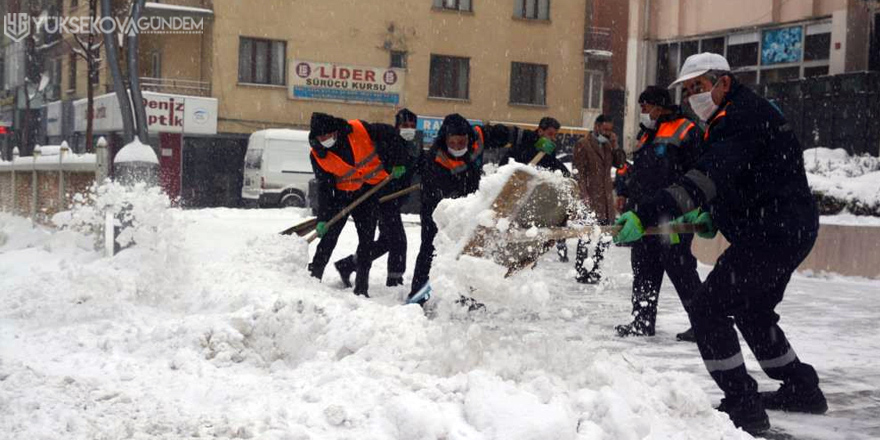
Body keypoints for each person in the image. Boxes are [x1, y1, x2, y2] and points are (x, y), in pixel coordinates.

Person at [613, 53, 826, 434]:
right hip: (785, 227)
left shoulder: (738, 119)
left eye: (699, 86)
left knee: (709, 310)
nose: (693, 95)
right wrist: (717, 214)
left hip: (770, 233)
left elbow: (708, 177)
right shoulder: (738, 114)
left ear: (723, 82)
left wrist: (646, 214)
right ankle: (801, 388)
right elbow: (749, 176)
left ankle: (743, 405)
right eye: (689, 89)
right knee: (753, 311)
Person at [614, 86, 703, 341]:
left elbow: (698, 173)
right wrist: (626, 195)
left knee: (681, 270)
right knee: (643, 270)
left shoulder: (686, 130)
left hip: (671, 216)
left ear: (659, 105)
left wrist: (692, 210)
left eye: (645, 107)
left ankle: (703, 323)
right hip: (643, 216)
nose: (643, 112)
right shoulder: (647, 135)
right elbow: (640, 174)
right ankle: (642, 321)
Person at [408, 114, 511, 305]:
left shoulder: (477, 138)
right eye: (452, 143)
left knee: (469, 252)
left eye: (461, 142)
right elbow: (435, 198)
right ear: (445, 140)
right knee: (430, 248)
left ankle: (468, 296)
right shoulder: (434, 160)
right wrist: (451, 217)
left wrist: (526, 138)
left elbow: (505, 135)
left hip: (470, 205)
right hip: (438, 209)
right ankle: (418, 295)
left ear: (468, 138)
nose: (457, 147)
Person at [307, 112, 407, 298]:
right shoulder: (318, 155)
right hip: (342, 196)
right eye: (321, 137)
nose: (325, 140)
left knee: (366, 240)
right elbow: (325, 188)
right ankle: (314, 276)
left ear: (336, 131)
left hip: (368, 193)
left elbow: (393, 137)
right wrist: (323, 218)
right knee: (329, 236)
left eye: (328, 136)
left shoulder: (359, 130)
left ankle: (362, 287)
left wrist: (398, 162)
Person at [333, 109, 422, 288]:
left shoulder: (413, 145)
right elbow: (375, 166)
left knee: (386, 241)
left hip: (395, 200)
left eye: (412, 126)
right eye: (405, 125)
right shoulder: (387, 141)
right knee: (398, 241)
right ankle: (394, 280)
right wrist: (391, 170)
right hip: (381, 198)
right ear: (397, 126)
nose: (409, 129)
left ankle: (348, 264)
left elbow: (420, 165)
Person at [571, 115, 623, 284]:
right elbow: (578, 173)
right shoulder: (583, 144)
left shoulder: (608, 145)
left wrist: (615, 145)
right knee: (586, 235)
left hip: (606, 197)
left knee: (605, 236)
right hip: (590, 196)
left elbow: (620, 164)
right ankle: (581, 270)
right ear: (596, 126)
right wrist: (582, 194)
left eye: (610, 130)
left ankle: (595, 268)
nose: (607, 133)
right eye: (605, 129)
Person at [500, 116, 571, 176]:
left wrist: (567, 175)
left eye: (555, 135)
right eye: (550, 134)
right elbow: (509, 161)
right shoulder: (525, 138)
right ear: (540, 131)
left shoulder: (548, 147)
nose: (553, 138)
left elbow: (552, 163)